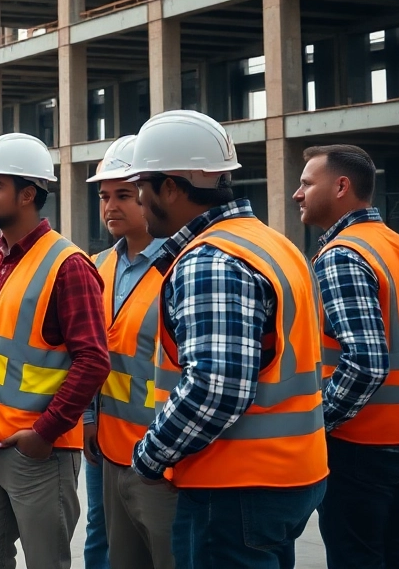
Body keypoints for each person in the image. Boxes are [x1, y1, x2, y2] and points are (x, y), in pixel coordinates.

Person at [127, 110, 327, 569]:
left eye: (141, 185)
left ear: (171, 187)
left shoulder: (210, 259)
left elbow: (215, 388)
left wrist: (150, 457)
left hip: (234, 485)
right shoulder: (274, 243)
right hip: (290, 474)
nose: (138, 199)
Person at [0, 132, 109, 569]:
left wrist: (44, 434)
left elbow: (93, 360)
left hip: (36, 451)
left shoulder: (68, 265)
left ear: (28, 194)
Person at [294, 144, 399, 569]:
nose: (298, 194)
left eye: (306, 183)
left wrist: (317, 422)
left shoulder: (342, 255)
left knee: (357, 559)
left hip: (361, 443)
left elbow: (366, 362)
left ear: (341, 186)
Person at [83, 136, 175, 569]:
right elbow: (84, 354)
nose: (111, 207)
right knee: (101, 544)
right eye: (105, 197)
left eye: (123, 195)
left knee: (165, 552)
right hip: (104, 444)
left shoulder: (181, 264)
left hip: (161, 450)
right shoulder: (97, 266)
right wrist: (87, 419)